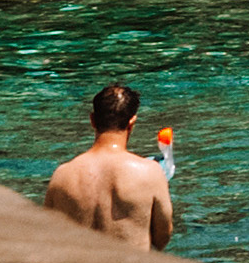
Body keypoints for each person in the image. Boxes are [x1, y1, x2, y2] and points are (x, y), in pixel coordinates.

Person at [41, 85, 178, 251]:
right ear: (131, 122)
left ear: (92, 120)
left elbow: (48, 238)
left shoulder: (62, 175)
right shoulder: (150, 173)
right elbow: (162, 238)